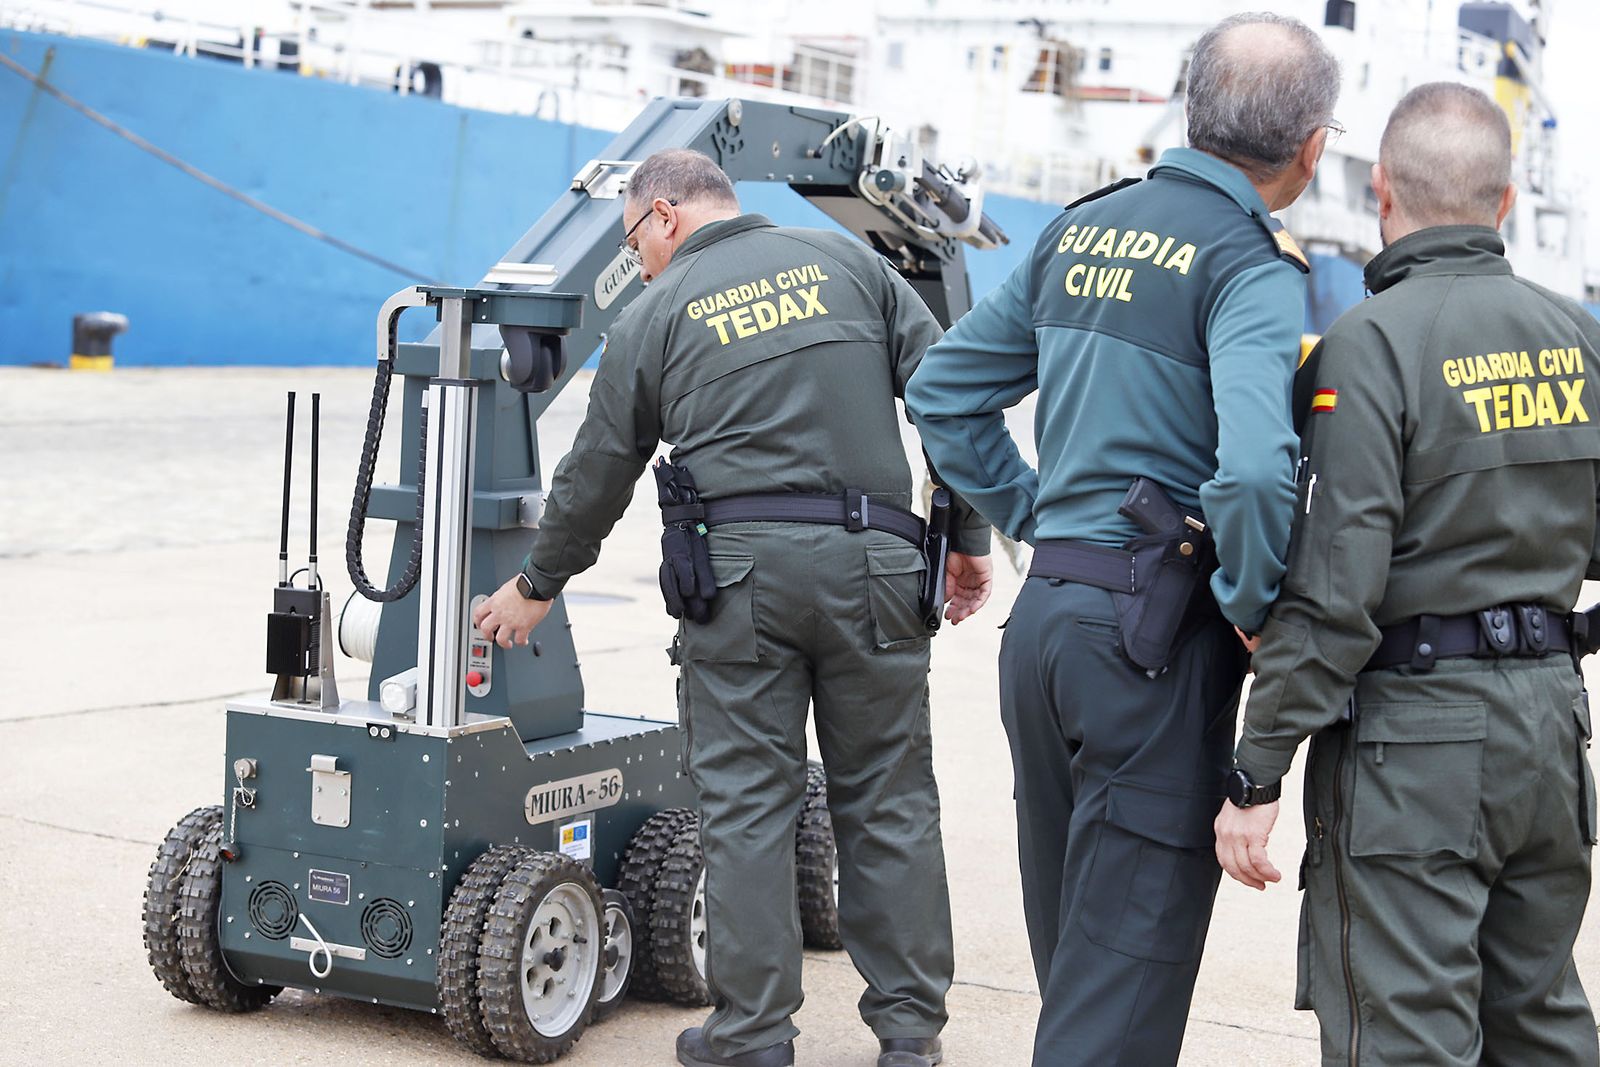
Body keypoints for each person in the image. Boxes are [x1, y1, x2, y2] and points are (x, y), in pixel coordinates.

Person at [473, 148, 992, 1067]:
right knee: (890, 800)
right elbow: (955, 396)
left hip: (743, 582)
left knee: (749, 806)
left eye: (635, 242)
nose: (639, 260)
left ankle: (753, 1037)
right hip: (878, 569)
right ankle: (910, 1035)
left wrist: (536, 584)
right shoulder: (852, 265)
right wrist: (966, 536)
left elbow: (596, 472)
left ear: (665, 215)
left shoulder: (653, 316)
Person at [903, 12, 1340, 1065]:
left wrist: (1032, 516)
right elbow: (1248, 470)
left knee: (1082, 973)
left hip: (1047, 625)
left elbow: (943, 392)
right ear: (1312, 145)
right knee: (1118, 998)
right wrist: (1248, 606)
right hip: (1149, 646)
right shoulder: (1252, 263)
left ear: (1192, 109)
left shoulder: (1079, 227)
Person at [1214, 81, 1600, 1065]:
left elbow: (1338, 588)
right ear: (1504, 202)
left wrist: (1258, 763)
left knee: (1402, 1035)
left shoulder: (1369, 345)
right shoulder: (1580, 340)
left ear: (1381, 190)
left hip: (1415, 743)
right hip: (1549, 728)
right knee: (1540, 1018)